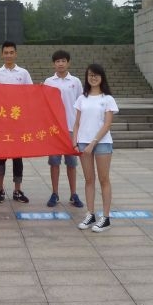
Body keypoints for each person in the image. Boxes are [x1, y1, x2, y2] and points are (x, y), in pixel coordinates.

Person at [72, 63, 119, 233]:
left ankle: (105, 217)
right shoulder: (81, 98)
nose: (93, 77)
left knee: (103, 179)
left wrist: (93, 143)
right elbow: (76, 122)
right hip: (84, 144)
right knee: (88, 179)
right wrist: (75, 141)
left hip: (102, 143)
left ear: (102, 77)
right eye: (90, 75)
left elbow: (107, 124)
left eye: (96, 75)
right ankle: (90, 214)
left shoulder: (107, 99)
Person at [0, 40, 33, 204]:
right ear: (2, 54)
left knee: (17, 158)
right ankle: (0, 190)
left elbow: (31, 94)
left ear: (16, 54)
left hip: (17, 123)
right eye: (5, 52)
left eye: (11, 52)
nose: (8, 55)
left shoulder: (24, 73)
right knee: (0, 157)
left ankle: (17, 190)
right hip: (1, 122)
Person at [43, 50, 84, 208]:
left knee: (72, 162)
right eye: (57, 61)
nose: (60, 64)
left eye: (63, 61)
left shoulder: (75, 81)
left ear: (68, 63)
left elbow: (81, 103)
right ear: (53, 64)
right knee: (54, 162)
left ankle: (74, 194)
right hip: (54, 128)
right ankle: (55, 193)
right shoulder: (48, 81)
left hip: (71, 128)